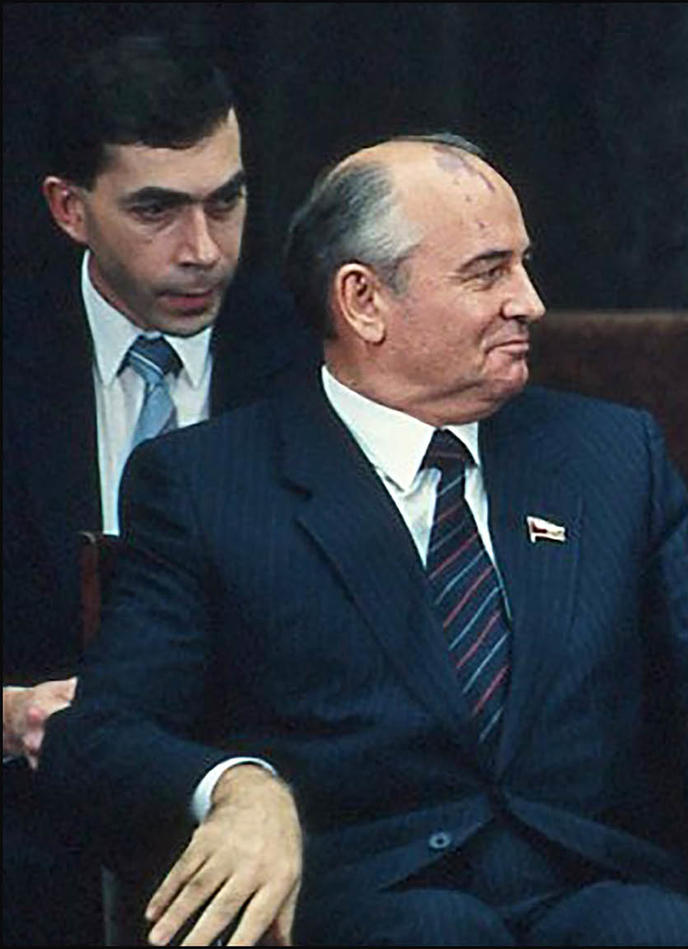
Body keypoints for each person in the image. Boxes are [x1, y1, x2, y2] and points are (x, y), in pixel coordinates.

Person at [39, 133, 688, 946]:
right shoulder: (208, 483)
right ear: (364, 300)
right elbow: (102, 738)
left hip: (594, 885)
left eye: (522, 265)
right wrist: (235, 784)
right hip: (372, 901)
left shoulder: (607, 456)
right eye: (488, 272)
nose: (529, 300)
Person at [1, 33, 313, 946]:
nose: (204, 250)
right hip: (28, 815)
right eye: (157, 212)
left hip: (266, 792)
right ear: (69, 209)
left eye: (228, 202)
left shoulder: (314, 350)